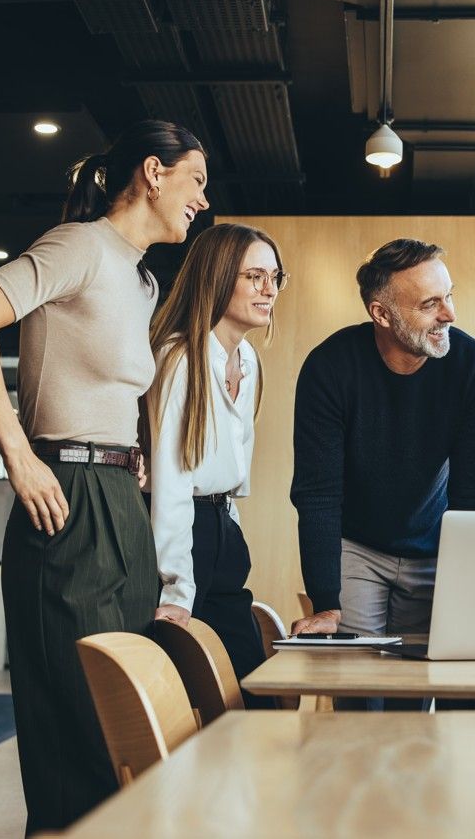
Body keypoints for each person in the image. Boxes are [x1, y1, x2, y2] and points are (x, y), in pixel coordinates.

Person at [0, 120, 209, 832]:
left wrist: (128, 451)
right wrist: (19, 455)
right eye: (196, 180)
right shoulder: (78, 245)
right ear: (153, 172)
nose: (203, 200)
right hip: (66, 498)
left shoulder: (143, 280)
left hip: (119, 500)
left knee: (126, 733)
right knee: (79, 739)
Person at [289, 238, 475, 654]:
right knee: (357, 676)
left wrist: (474, 587)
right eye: (430, 304)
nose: (450, 314)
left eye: (449, 296)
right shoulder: (329, 368)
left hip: (438, 545)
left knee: (422, 676)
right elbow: (318, 493)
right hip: (357, 547)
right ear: (381, 314)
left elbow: (474, 489)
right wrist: (326, 602)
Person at [145, 223, 285, 705]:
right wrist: (177, 589)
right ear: (218, 278)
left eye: (275, 277)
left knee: (251, 691)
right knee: (185, 695)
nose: (269, 289)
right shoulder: (179, 358)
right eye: (255, 276)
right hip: (183, 536)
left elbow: (233, 471)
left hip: (223, 527)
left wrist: (232, 530)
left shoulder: (247, 360)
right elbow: (171, 482)